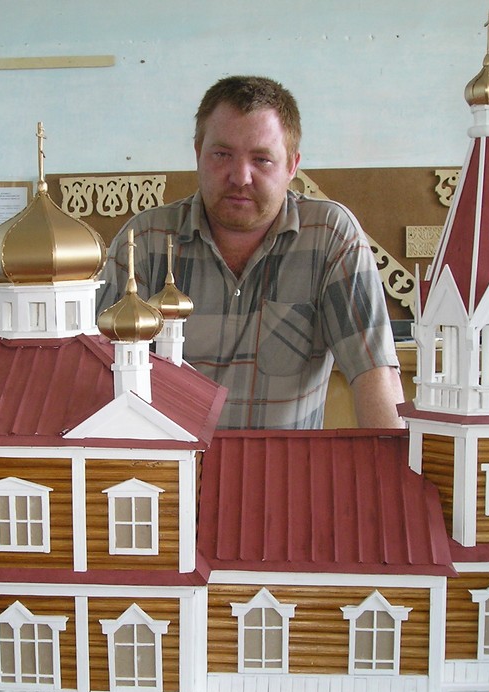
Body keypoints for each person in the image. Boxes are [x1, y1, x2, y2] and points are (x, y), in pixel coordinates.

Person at [97, 75, 404, 430]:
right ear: (198, 153)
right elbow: (92, 366)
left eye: (261, 159)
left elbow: (373, 371)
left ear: (292, 166)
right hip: (172, 462)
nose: (240, 176)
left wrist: (394, 463)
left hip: (284, 465)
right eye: (222, 155)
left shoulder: (330, 236)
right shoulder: (145, 240)